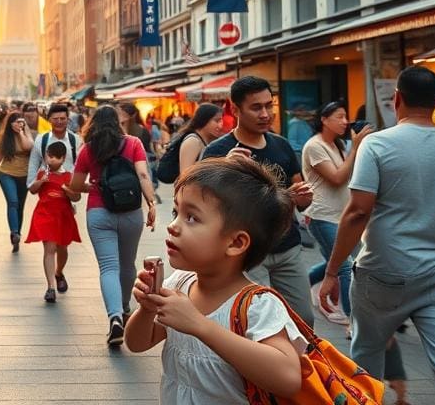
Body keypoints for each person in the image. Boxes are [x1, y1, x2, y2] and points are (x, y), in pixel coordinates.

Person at [321, 66, 435, 405]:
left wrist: (333, 270)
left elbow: (357, 211)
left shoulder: (377, 145)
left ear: (397, 99)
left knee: (365, 360)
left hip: (383, 271)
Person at [124, 156, 306, 404]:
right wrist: (147, 308)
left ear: (236, 243)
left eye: (192, 218)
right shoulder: (179, 284)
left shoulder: (256, 305)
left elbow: (288, 378)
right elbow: (136, 343)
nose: (173, 226)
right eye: (177, 212)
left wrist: (200, 325)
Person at [201, 76, 315, 328]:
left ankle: (299, 367)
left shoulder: (282, 146)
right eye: (256, 107)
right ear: (235, 109)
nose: (265, 114)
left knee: (304, 320)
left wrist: (303, 199)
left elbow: (299, 192)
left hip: (288, 248)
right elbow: (203, 204)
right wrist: (225, 168)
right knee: (257, 322)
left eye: (269, 105)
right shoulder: (218, 152)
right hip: (247, 254)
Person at [69, 104, 157, 346]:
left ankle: (115, 317)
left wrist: (91, 186)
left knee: (109, 266)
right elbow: (143, 175)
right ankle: (126, 305)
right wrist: (151, 203)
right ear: (118, 122)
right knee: (127, 263)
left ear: (93, 123)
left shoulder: (88, 149)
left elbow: (76, 185)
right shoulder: (133, 144)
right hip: (130, 211)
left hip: (99, 212)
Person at [300, 100, 372, 325]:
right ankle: (354, 322)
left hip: (341, 215)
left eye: (345, 116)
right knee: (345, 267)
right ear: (324, 120)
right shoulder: (314, 146)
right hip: (322, 216)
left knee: (339, 260)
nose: (344, 121)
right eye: (339, 117)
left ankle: (298, 286)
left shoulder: (339, 145)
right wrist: (356, 147)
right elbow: (337, 178)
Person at [26, 103, 81, 292]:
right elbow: (33, 165)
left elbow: (82, 168)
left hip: (67, 202)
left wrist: (75, 190)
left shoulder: (75, 141)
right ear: (49, 120)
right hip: (47, 204)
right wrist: (34, 183)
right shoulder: (42, 140)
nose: (59, 122)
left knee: (62, 247)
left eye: (63, 118)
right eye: (55, 119)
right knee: (49, 246)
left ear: (68, 119)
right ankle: (50, 286)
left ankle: (59, 272)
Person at [0, 110, 34, 252]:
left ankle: (17, 235)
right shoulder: (4, 138)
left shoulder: (27, 134)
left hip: (24, 175)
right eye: (16, 122)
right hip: (7, 173)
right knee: (13, 202)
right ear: (9, 124)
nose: (19, 124)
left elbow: (28, 146)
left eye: (21, 121)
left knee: (20, 206)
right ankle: (14, 232)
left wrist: (21, 131)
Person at [174, 103, 224, 173]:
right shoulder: (192, 141)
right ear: (204, 120)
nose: (220, 126)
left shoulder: (207, 140)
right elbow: (185, 175)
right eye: (216, 121)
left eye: (221, 121)